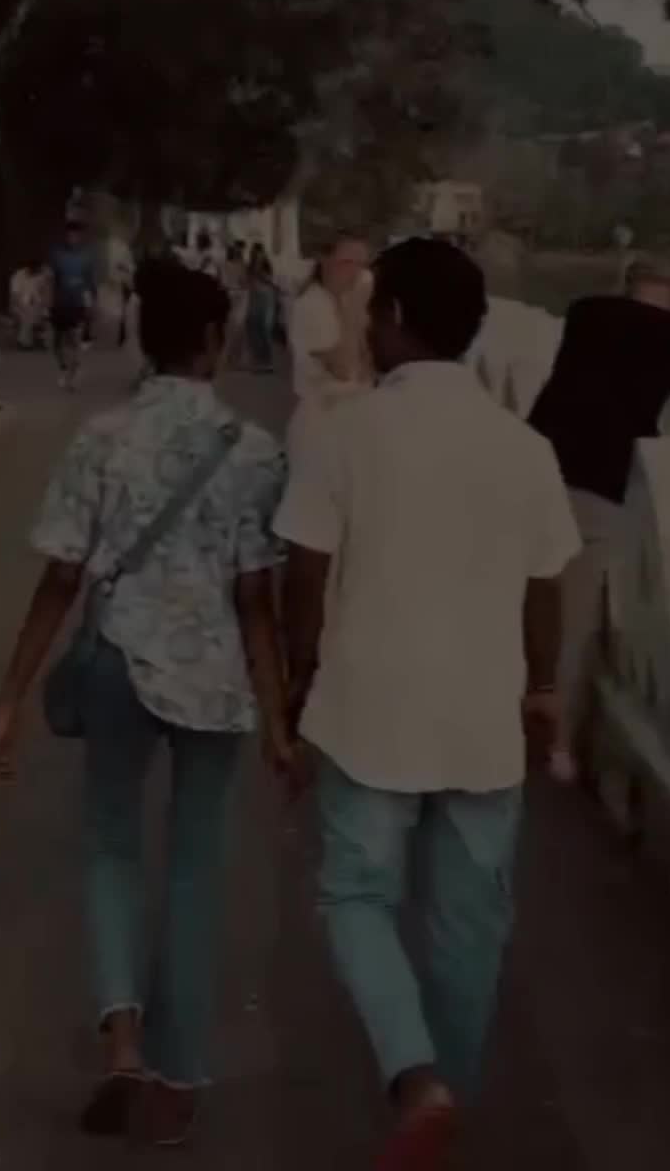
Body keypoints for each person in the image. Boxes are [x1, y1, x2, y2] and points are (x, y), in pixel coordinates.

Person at [277, 239, 579, 1170]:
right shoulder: (525, 448)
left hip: (369, 708)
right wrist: (540, 689)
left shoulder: (344, 434)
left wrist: (296, 684)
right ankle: (448, 1113)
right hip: (483, 717)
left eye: (373, 309)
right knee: (469, 928)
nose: (366, 325)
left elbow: (304, 572)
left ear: (398, 315)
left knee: (356, 896)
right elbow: (545, 586)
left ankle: (416, 1080)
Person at [0, 260, 292, 1147]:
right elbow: (257, 602)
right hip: (214, 680)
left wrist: (10, 693)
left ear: (146, 340)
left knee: (112, 848)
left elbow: (61, 576)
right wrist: (279, 722)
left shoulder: (103, 436)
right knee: (195, 870)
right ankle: (177, 1075)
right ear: (214, 341)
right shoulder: (254, 450)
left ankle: (122, 1046)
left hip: (118, 661)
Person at [528, 250, 670, 781]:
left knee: (517, 590)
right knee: (574, 616)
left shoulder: (584, 311)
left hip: (534, 464)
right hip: (599, 482)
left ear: (625, 284)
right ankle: (558, 744)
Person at [288, 233, 372, 406]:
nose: (356, 273)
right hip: (323, 409)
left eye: (361, 264)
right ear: (324, 260)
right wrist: (354, 312)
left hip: (353, 404)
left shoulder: (344, 299)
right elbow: (343, 370)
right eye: (346, 262)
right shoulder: (311, 305)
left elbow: (368, 359)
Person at [48, 218, 97, 390]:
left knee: (75, 340)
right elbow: (51, 279)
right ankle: (64, 368)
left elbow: (90, 283)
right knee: (57, 342)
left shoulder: (86, 257)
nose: (74, 237)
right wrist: (48, 302)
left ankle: (72, 375)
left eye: (77, 234)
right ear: (66, 235)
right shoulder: (57, 255)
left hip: (77, 304)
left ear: (81, 236)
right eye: (71, 234)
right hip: (60, 303)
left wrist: (90, 305)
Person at [244, 244, 278, 374]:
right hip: (254, 299)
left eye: (260, 253)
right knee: (253, 330)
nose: (258, 256)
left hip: (265, 299)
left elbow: (270, 280)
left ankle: (267, 362)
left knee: (264, 330)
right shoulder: (250, 267)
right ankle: (258, 361)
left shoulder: (265, 266)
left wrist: (259, 273)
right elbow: (247, 281)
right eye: (256, 253)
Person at [10, 260, 49, 350]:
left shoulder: (42, 276)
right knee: (27, 314)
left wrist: (43, 304)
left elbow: (45, 293)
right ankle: (24, 341)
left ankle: (38, 338)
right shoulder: (18, 276)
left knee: (44, 312)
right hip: (20, 304)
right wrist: (24, 306)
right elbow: (15, 296)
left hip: (37, 304)